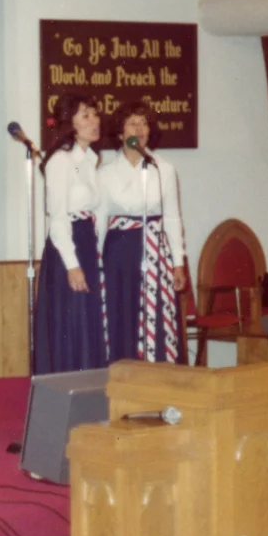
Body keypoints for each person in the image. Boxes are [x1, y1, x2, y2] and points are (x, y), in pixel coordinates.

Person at [97, 102, 187, 363]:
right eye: (132, 123)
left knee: (156, 314)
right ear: (120, 133)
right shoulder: (105, 173)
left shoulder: (164, 168)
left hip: (155, 251)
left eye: (144, 123)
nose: (139, 128)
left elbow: (172, 217)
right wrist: (96, 260)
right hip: (119, 253)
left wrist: (178, 262)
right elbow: (100, 220)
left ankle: (161, 375)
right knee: (123, 313)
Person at [33, 94, 106, 375]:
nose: (94, 120)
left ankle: (91, 393)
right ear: (69, 123)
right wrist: (72, 266)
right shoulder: (60, 161)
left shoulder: (90, 160)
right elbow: (58, 220)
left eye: (95, 113)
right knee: (72, 323)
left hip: (86, 242)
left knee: (87, 323)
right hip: (67, 249)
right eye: (86, 115)